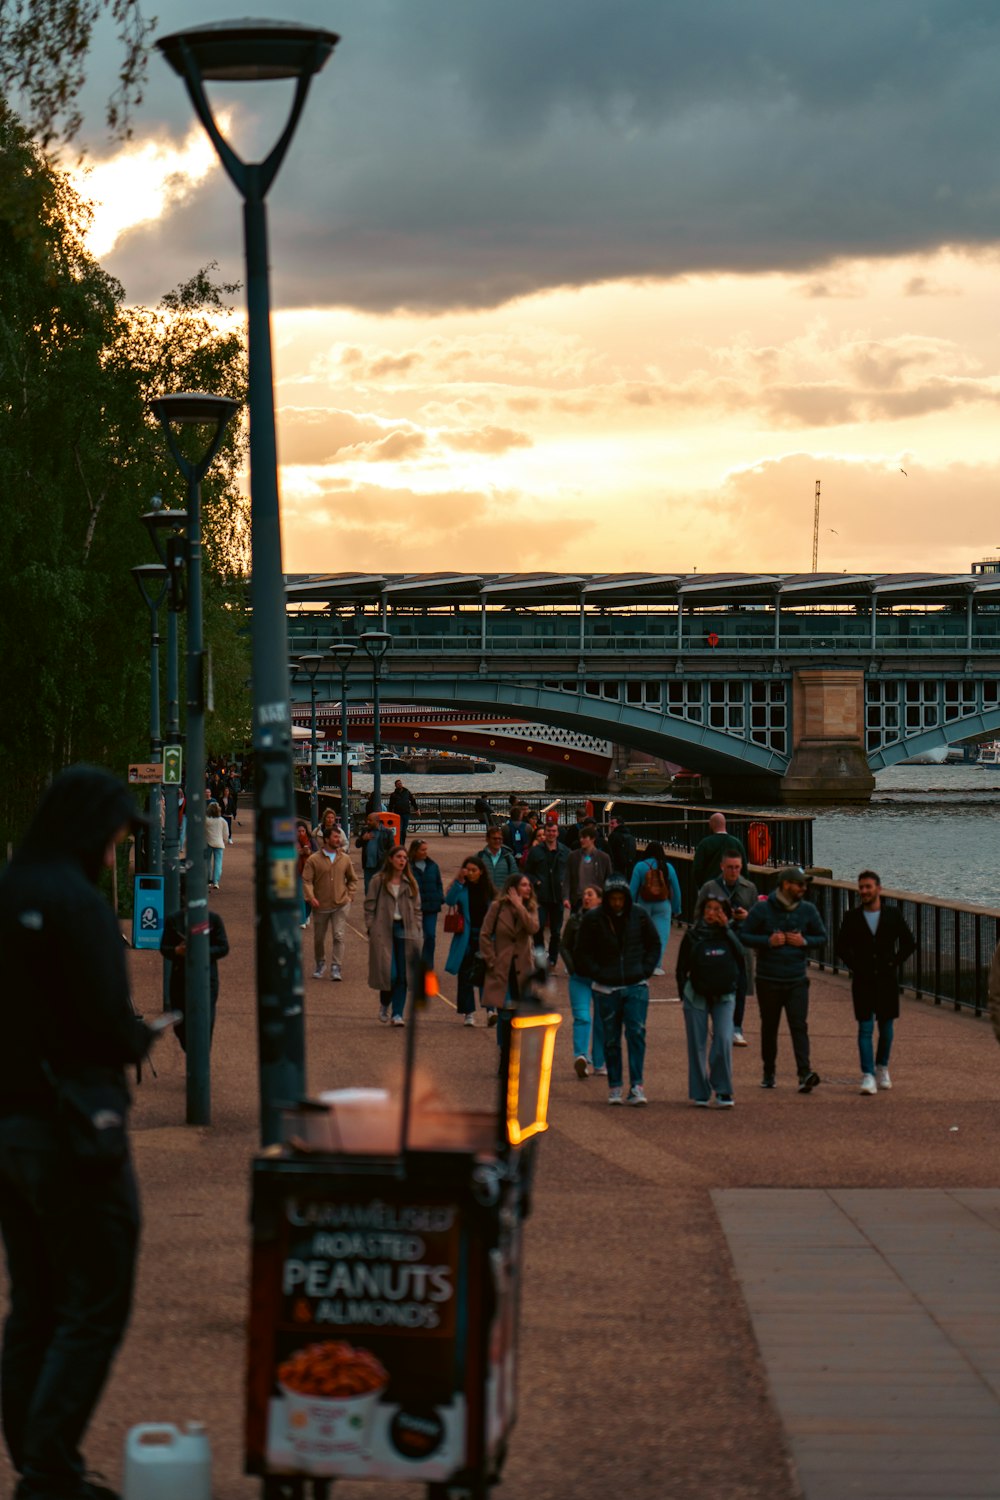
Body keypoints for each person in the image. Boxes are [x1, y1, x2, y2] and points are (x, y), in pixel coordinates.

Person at [0, 766, 171, 1500]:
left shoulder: (8, 890)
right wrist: (138, 1037)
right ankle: (50, 1469)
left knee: (34, 1298)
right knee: (97, 1295)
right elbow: (104, 1021)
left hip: (8, 1124)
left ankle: (32, 1455)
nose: (114, 851)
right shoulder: (80, 903)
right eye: (113, 836)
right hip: (72, 1125)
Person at [573, 874, 660, 1105]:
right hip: (606, 986)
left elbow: (654, 944)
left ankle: (637, 1085)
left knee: (636, 1035)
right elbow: (581, 952)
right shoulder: (593, 919)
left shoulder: (639, 916)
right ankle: (615, 1086)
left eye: (621, 899)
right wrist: (598, 973)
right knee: (611, 1039)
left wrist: (645, 970)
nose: (618, 903)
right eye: (614, 899)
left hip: (635, 984)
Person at [740, 866, 827, 1093]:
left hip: (797, 979)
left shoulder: (807, 910)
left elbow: (822, 937)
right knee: (770, 1027)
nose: (803, 889)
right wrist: (768, 941)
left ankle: (804, 1073)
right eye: (800, 885)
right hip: (768, 979)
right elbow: (744, 935)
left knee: (799, 1026)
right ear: (786, 885)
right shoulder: (762, 909)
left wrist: (804, 941)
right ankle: (769, 1072)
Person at [836, 870, 916, 1094]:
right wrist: (855, 965)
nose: (864, 891)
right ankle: (868, 1074)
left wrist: (894, 962)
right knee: (865, 1027)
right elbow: (841, 947)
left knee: (887, 1027)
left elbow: (909, 943)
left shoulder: (892, 915)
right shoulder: (852, 917)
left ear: (878, 889)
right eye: (861, 887)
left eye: (868, 887)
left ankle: (882, 1067)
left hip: (887, 978)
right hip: (863, 979)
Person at [676, 894, 744, 1108]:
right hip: (695, 993)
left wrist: (727, 929)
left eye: (717, 909)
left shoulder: (730, 934)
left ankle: (723, 1089)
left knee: (723, 1040)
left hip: (724, 994)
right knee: (696, 1045)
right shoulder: (693, 935)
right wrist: (682, 994)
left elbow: (741, 957)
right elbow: (681, 968)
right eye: (709, 908)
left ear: (725, 912)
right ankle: (700, 1091)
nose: (712, 913)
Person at [697, 852, 758, 1046]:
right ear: (722, 867)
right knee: (718, 986)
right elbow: (698, 917)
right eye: (730, 867)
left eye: (737, 867)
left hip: (741, 944)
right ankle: (720, 1024)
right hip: (716, 943)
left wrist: (747, 916)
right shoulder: (709, 888)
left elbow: (758, 919)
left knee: (740, 987)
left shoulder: (749, 888)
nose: (734, 871)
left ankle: (736, 1028)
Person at [160, 884, 230, 1051]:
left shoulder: (213, 920)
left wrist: (201, 952)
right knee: (179, 1022)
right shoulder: (173, 920)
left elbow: (223, 947)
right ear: (183, 898)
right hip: (179, 977)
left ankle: (201, 1057)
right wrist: (177, 951)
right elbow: (164, 947)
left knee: (205, 1018)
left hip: (206, 977)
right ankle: (191, 1050)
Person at [480, 872, 541, 1059]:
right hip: (502, 968)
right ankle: (504, 1051)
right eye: (524, 885)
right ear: (512, 888)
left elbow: (533, 928)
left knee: (521, 1014)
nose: (528, 888)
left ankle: (518, 1052)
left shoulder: (530, 908)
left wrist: (519, 906)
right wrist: (491, 960)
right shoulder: (497, 907)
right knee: (505, 1014)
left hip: (523, 969)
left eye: (529, 885)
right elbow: (485, 934)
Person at [364, 844, 423, 1026]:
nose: (402, 861)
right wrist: (371, 927)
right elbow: (369, 907)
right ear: (390, 859)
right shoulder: (378, 881)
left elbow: (417, 908)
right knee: (390, 974)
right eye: (398, 857)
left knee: (403, 975)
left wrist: (417, 927)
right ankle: (385, 1003)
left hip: (405, 930)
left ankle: (397, 1013)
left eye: (404, 858)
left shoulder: (410, 882)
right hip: (384, 930)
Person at [444, 856, 497, 1025]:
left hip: (484, 936)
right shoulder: (461, 888)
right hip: (466, 935)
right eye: (468, 870)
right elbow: (449, 900)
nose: (471, 873)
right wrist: (459, 881)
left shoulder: (489, 890)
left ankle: (490, 1010)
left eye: (475, 870)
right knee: (465, 973)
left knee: (487, 973)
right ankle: (468, 1013)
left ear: (481, 872)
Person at [559, 885, 606, 1078]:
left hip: (601, 977)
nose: (586, 898)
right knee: (582, 1017)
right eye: (584, 894)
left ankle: (599, 1061)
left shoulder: (607, 921)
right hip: (579, 977)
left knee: (602, 1021)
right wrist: (572, 967)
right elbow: (565, 946)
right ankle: (581, 1056)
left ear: (600, 900)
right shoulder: (575, 921)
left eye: (590, 894)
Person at [302, 827, 358, 982]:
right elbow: (307, 880)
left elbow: (353, 879)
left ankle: (336, 966)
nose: (338, 840)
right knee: (319, 938)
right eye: (335, 837)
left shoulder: (345, 859)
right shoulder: (314, 859)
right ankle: (320, 963)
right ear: (326, 839)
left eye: (339, 837)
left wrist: (350, 895)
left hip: (341, 903)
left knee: (339, 935)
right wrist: (311, 897)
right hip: (321, 904)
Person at [630, 840, 682, 975]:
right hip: (663, 904)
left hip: (643, 903)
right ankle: (656, 964)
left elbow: (632, 889)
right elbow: (676, 890)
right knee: (661, 935)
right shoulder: (668, 867)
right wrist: (677, 908)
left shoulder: (640, 866)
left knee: (642, 934)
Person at [525, 819, 570, 967]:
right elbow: (527, 872)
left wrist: (566, 889)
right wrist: (536, 882)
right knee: (538, 929)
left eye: (553, 831)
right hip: (541, 895)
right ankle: (539, 958)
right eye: (548, 831)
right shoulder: (536, 851)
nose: (551, 834)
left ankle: (552, 958)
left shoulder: (564, 851)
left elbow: (570, 873)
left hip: (557, 896)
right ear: (545, 833)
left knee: (556, 932)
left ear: (557, 833)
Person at [409, 837, 444, 971]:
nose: (425, 852)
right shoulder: (408, 867)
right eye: (422, 850)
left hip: (431, 906)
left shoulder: (433, 866)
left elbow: (438, 883)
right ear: (415, 851)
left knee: (430, 936)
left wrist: (439, 897)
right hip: (414, 908)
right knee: (413, 938)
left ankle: (427, 965)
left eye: (426, 850)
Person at [691, 812, 747, 891]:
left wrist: (702, 887)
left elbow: (697, 870)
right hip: (733, 889)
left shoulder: (704, 844)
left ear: (711, 825)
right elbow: (744, 870)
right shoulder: (737, 843)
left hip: (710, 889)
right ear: (724, 824)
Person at [567, 823, 612, 909]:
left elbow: (608, 878)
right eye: (580, 838)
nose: (581, 840)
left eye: (584, 838)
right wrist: (566, 898)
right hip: (578, 899)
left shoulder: (604, 857)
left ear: (592, 839)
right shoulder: (573, 856)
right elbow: (567, 877)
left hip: (597, 899)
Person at [356, 812, 395, 893]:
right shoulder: (365, 831)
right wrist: (363, 839)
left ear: (377, 821)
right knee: (368, 890)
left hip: (381, 866)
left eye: (370, 820)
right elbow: (357, 845)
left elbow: (392, 849)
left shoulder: (387, 832)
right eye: (367, 820)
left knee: (382, 890)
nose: (368, 822)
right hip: (368, 866)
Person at [296, 820, 316, 929]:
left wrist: (309, 852)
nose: (301, 833)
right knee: (300, 896)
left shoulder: (311, 841)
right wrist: (299, 852)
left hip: (309, 871)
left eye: (303, 831)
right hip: (297, 871)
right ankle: (302, 920)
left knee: (309, 896)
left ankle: (306, 915)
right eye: (298, 831)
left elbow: (317, 854)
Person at [204, 799, 227, 889]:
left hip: (208, 842)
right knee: (218, 863)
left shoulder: (206, 820)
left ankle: (208, 880)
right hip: (219, 843)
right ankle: (216, 881)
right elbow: (226, 834)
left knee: (207, 862)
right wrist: (224, 840)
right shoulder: (222, 821)